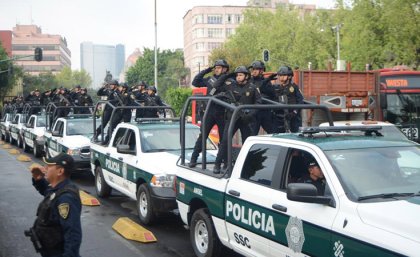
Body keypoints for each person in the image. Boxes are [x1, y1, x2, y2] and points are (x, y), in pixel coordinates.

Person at [26, 153, 82, 257]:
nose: (45, 168)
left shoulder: (66, 198)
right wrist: (39, 180)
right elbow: (49, 193)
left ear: (60, 171)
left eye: (49, 166)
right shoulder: (58, 189)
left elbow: (72, 233)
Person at [213, 66, 262, 174]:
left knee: (248, 143)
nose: (238, 77)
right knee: (225, 141)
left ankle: (247, 166)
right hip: (233, 118)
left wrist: (250, 114)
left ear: (246, 76)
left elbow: (258, 103)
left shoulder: (252, 88)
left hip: (246, 119)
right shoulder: (231, 86)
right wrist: (228, 75)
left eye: (240, 75)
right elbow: (215, 86)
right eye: (237, 75)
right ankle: (217, 164)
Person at [189, 59, 233, 168]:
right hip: (210, 111)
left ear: (225, 69)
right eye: (216, 67)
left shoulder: (229, 80)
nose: (216, 69)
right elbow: (195, 82)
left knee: (224, 138)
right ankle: (194, 159)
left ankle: (225, 163)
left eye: (219, 68)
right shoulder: (210, 79)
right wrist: (208, 69)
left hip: (222, 111)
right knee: (203, 136)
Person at [272, 66, 304, 132]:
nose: (281, 78)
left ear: (289, 76)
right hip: (281, 117)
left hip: (294, 117)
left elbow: (300, 101)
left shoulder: (294, 87)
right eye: (280, 76)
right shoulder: (277, 88)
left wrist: (294, 112)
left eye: (283, 75)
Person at [248, 60, 276, 134]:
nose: (254, 71)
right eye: (253, 69)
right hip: (254, 112)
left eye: (256, 69)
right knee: (251, 134)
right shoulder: (249, 81)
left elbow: (272, 95)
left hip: (265, 112)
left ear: (261, 71)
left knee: (272, 133)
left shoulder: (267, 82)